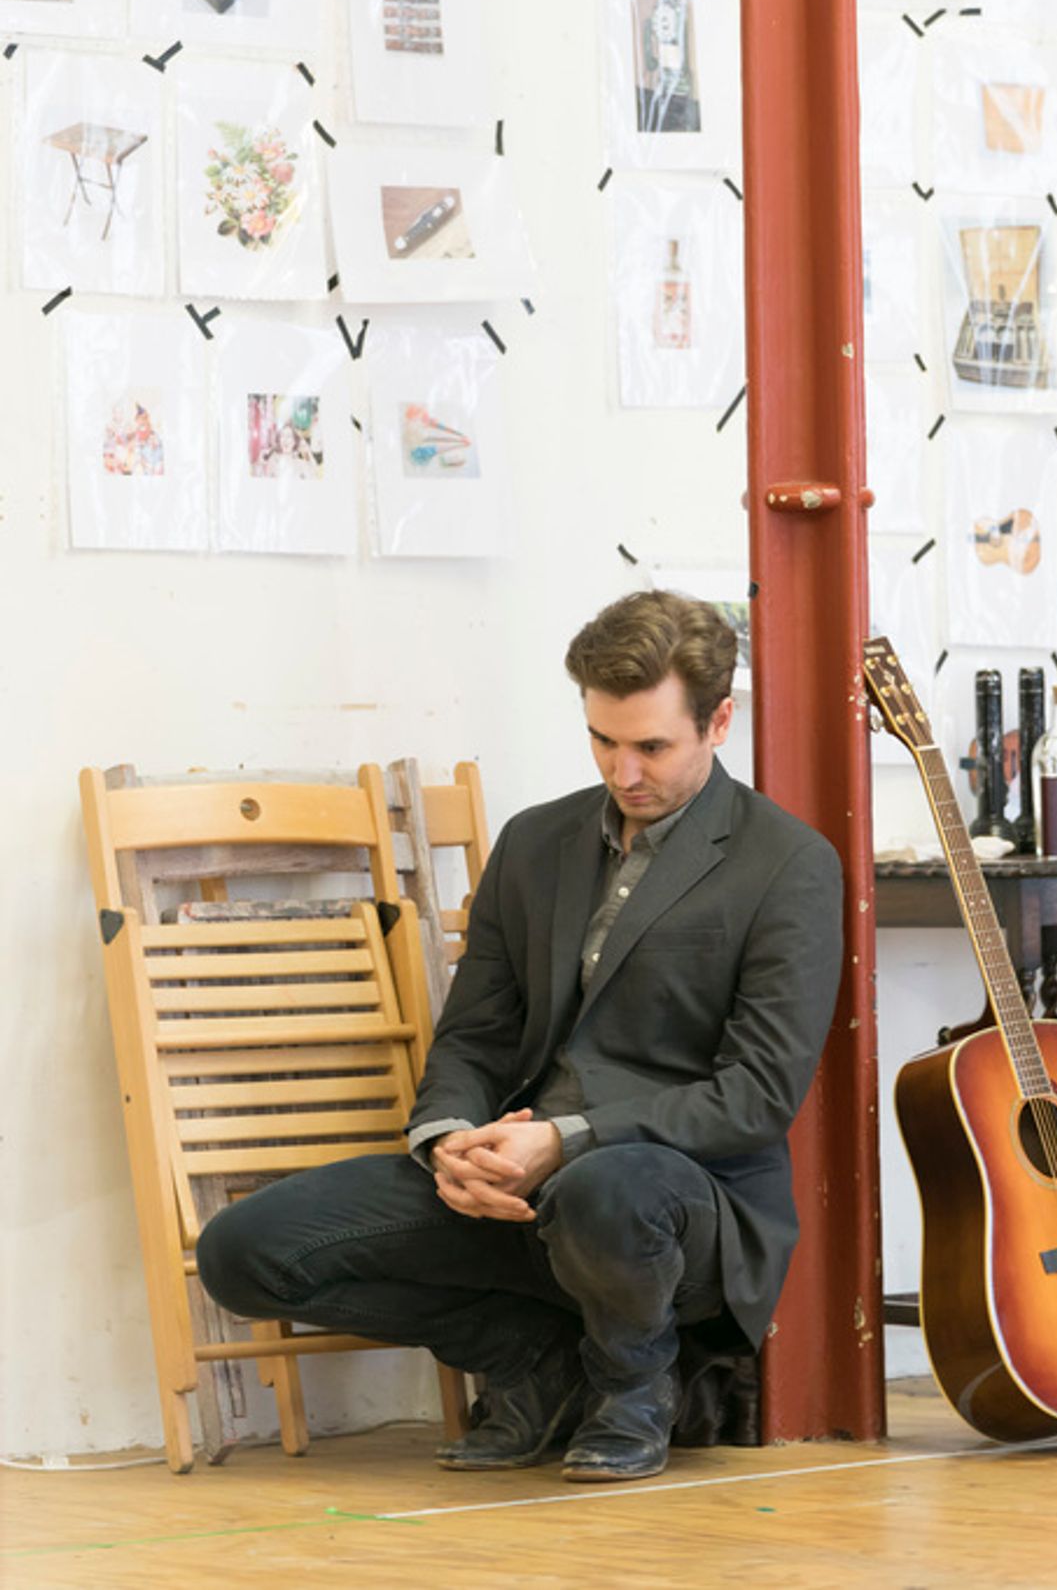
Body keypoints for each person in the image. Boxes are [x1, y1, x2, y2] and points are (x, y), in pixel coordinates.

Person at [196, 590, 844, 1482]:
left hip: (677, 1209)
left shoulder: (789, 864)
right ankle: (533, 1357)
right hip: (515, 1186)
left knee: (607, 1187)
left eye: (651, 746)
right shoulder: (536, 842)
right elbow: (476, 1035)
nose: (624, 772)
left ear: (719, 721)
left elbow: (758, 1096)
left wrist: (566, 1139)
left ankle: (634, 1393)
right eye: (602, 741)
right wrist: (449, 1140)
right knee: (242, 1254)